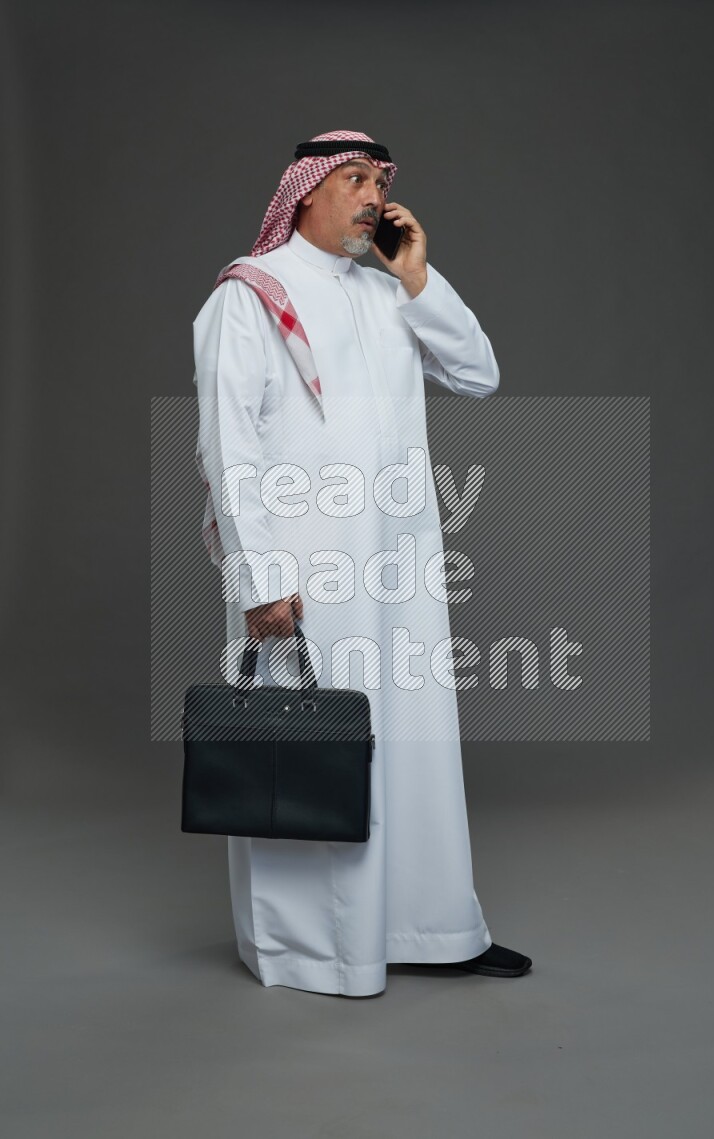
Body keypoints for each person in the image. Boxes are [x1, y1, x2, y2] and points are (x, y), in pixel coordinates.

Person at [191, 129, 532, 996]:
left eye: (380, 180)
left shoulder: (390, 297)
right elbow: (230, 444)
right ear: (302, 193)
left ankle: (431, 929)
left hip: (400, 564)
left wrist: (416, 276)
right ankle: (316, 952)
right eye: (353, 178)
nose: (373, 194)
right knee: (312, 748)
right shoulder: (252, 294)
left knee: (410, 746)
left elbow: (480, 374)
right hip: (308, 572)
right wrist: (259, 580)